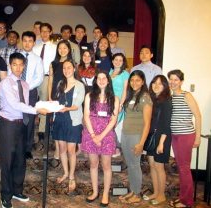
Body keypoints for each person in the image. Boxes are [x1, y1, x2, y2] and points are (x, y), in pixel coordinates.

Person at [0, 52, 48, 208]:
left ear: (24, 66)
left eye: (21, 65)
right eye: (15, 64)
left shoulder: (25, 85)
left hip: (22, 124)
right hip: (8, 125)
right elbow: (14, 104)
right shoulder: (5, 83)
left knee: (20, 160)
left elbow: (24, 107)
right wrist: (37, 110)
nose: (18, 68)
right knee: (7, 161)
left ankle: (17, 190)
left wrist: (37, 109)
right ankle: (5, 196)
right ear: (10, 65)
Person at [81, 71, 119, 207]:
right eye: (99, 78)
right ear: (96, 81)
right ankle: (95, 192)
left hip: (107, 135)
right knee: (93, 164)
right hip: (90, 134)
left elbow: (113, 120)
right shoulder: (89, 96)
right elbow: (86, 116)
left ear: (108, 81)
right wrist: (93, 136)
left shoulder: (115, 98)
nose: (102, 80)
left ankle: (105, 194)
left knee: (106, 166)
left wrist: (100, 136)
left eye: (104, 78)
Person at [167, 69, 201, 208]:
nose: (173, 82)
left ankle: (187, 202)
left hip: (186, 135)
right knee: (181, 168)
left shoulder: (187, 95)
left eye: (176, 79)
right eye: (171, 79)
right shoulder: (170, 97)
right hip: (175, 135)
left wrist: (197, 138)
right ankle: (183, 197)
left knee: (184, 168)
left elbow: (198, 116)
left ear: (181, 81)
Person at [119, 70, 153, 204]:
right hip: (126, 134)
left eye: (138, 80)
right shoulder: (131, 95)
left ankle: (137, 194)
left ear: (143, 82)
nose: (134, 83)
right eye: (132, 80)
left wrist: (141, 143)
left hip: (136, 136)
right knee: (130, 164)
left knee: (135, 165)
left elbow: (147, 123)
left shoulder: (145, 97)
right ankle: (132, 191)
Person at [52, 59, 85, 194]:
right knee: (62, 149)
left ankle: (71, 176)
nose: (66, 70)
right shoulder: (60, 83)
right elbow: (57, 100)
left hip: (73, 120)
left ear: (74, 68)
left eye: (69, 67)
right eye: (64, 68)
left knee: (71, 150)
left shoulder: (79, 85)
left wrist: (65, 108)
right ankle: (65, 172)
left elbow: (77, 105)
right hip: (59, 119)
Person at [142, 75, 172, 205]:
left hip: (162, 138)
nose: (156, 85)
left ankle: (162, 195)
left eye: (160, 83)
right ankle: (155, 192)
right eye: (154, 83)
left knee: (159, 167)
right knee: (152, 166)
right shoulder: (152, 100)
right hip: (151, 136)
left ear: (165, 86)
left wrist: (161, 143)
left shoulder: (166, 101)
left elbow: (166, 124)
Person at [20, 31, 44, 159]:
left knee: (29, 121)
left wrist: (26, 86)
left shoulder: (37, 59)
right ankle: (17, 146)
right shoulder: (16, 56)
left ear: (34, 43)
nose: (27, 43)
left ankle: (27, 148)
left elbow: (39, 78)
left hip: (31, 91)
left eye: (30, 41)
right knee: (16, 119)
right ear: (21, 41)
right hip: (15, 91)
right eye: (25, 40)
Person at [48, 40, 73, 160]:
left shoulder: (72, 63)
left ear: (69, 49)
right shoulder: (53, 64)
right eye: (60, 48)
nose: (62, 50)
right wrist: (49, 96)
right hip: (55, 96)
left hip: (67, 97)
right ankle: (57, 149)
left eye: (65, 48)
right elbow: (50, 81)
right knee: (56, 124)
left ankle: (67, 149)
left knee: (66, 123)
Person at [33, 22, 57, 141]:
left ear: (51, 32)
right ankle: (31, 126)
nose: (45, 33)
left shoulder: (55, 47)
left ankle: (42, 130)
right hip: (34, 77)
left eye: (47, 31)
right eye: (42, 31)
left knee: (43, 102)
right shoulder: (35, 47)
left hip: (47, 77)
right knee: (32, 101)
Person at [109, 53, 129, 157]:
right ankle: (111, 146)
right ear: (112, 61)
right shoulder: (110, 72)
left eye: (120, 60)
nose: (117, 62)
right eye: (116, 59)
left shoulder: (125, 74)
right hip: (109, 102)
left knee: (114, 125)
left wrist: (121, 104)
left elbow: (125, 90)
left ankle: (117, 148)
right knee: (108, 125)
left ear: (123, 62)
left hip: (119, 103)